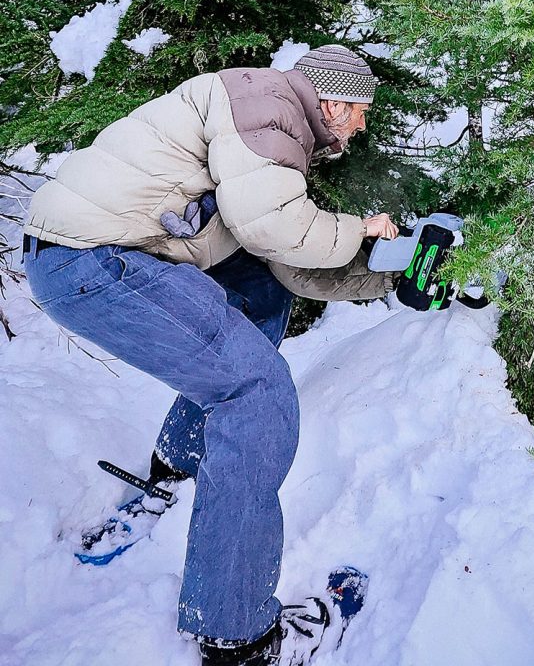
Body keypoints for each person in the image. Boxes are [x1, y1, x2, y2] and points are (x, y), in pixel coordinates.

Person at [22, 44, 400, 665]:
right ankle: (237, 636)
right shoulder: (269, 106)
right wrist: (361, 229)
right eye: (359, 111)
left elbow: (287, 264)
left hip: (91, 252)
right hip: (97, 258)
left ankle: (176, 468)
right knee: (257, 393)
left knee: (260, 292)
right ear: (330, 99)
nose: (361, 126)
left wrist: (388, 280)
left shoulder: (269, 125)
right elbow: (273, 226)